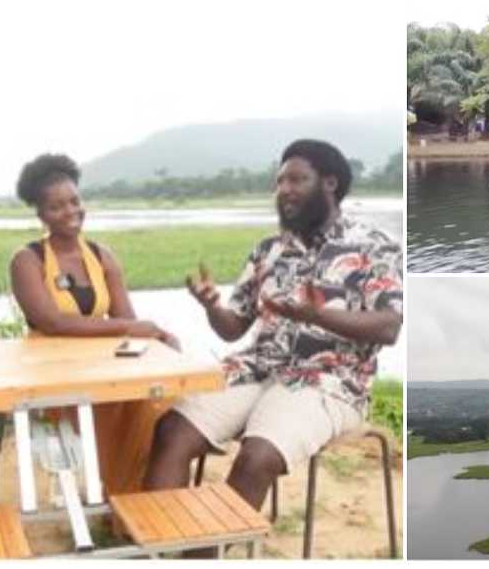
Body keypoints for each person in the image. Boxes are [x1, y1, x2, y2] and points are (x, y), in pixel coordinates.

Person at [144, 139, 403, 512]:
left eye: (296, 180)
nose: (284, 190)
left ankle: (214, 546)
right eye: (280, 182)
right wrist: (212, 306)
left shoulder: (375, 248)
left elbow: (389, 327)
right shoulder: (269, 250)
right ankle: (157, 538)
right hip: (256, 369)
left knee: (257, 457)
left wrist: (317, 315)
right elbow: (232, 329)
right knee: (171, 431)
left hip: (329, 381)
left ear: (329, 183)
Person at [8, 153, 179, 496]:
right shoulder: (27, 260)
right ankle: (114, 494)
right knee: (100, 408)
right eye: (57, 206)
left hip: (103, 367)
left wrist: (159, 335)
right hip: (52, 371)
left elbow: (127, 319)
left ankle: (132, 499)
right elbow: (53, 322)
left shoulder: (102, 256)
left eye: (75, 201)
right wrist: (125, 329)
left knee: (153, 404)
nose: (70, 211)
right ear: (41, 214)